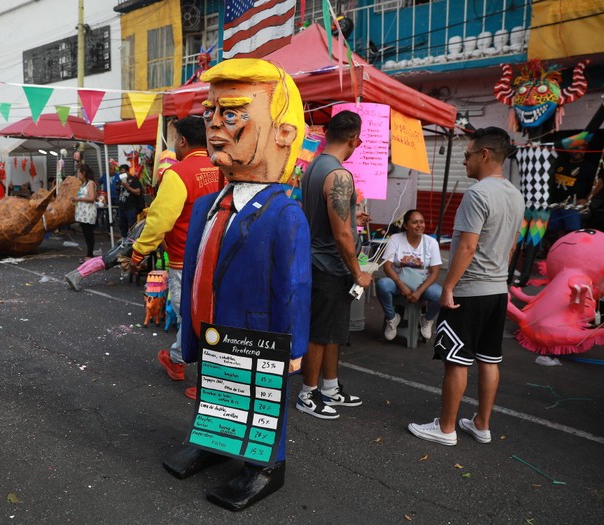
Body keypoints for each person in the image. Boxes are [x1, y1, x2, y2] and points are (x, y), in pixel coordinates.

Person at [162, 58, 311, 511]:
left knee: (259, 402)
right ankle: (213, 442)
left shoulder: (285, 213)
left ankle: (265, 466)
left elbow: (295, 285)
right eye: (210, 114)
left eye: (233, 114)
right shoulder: (209, 202)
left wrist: (295, 346)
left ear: (283, 133)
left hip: (257, 333)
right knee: (215, 388)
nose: (215, 126)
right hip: (210, 323)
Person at [408, 127, 524, 446]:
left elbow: (466, 247)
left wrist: (448, 287)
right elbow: (512, 246)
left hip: (470, 291)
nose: (464, 161)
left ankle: (446, 428)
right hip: (497, 289)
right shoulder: (515, 195)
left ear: (484, 154)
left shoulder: (477, 194)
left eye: (467, 154)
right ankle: (482, 424)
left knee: (456, 359)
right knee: (489, 358)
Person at [128, 116, 222, 397]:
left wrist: (139, 251)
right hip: (216, 255)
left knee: (191, 316)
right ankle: (178, 360)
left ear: (182, 141)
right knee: (210, 313)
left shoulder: (179, 173)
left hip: (185, 258)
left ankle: (207, 378)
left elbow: (159, 220)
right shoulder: (221, 168)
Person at [295, 110, 372, 420]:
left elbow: (331, 219)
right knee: (320, 332)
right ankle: (308, 394)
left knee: (333, 331)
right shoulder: (339, 175)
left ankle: (329, 387)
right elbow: (341, 234)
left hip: (320, 260)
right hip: (329, 264)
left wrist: (354, 219)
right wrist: (358, 273)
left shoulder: (313, 166)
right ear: (354, 139)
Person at [377, 209, 443, 342]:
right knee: (382, 284)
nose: (420, 225)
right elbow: (387, 266)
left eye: (422, 222)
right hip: (397, 282)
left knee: (441, 294)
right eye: (415, 222)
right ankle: (392, 319)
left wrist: (419, 292)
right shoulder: (396, 239)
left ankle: (427, 319)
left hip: (422, 284)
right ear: (406, 226)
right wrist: (402, 286)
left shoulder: (431, 243)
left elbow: (435, 272)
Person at [70, 164, 98, 261]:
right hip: (82, 213)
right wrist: (75, 199)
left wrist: (79, 198)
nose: (78, 174)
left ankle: (89, 256)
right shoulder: (82, 184)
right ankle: (88, 254)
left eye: (79, 172)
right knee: (86, 234)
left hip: (88, 213)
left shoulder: (90, 183)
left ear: (84, 173)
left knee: (89, 234)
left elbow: (92, 198)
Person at [117, 164, 142, 237]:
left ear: (128, 172)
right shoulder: (120, 181)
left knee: (132, 226)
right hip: (122, 207)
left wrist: (127, 187)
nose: (121, 175)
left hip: (131, 207)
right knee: (122, 225)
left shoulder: (134, 180)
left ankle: (132, 241)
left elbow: (138, 192)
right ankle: (124, 239)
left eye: (123, 173)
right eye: (120, 173)